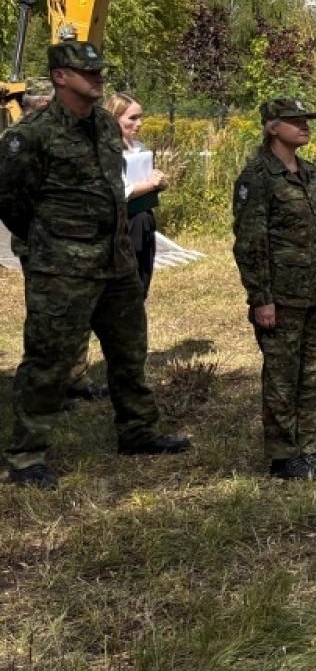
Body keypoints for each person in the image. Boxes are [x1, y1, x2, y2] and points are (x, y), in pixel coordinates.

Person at [0, 41, 190, 489]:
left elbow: (114, 186)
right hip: (62, 267)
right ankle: (28, 456)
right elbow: (11, 202)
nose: (98, 78)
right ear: (61, 76)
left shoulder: (105, 125)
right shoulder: (30, 135)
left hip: (116, 260)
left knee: (129, 351)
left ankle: (138, 431)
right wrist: (51, 242)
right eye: (87, 72)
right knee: (49, 358)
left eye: (100, 71)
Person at [232, 98, 316, 480]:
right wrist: (261, 298)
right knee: (283, 375)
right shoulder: (257, 177)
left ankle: (308, 448)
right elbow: (251, 243)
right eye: (294, 120)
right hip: (282, 296)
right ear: (271, 127)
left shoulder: (312, 174)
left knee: (315, 372)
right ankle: (284, 456)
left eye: (306, 119)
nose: (304, 125)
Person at [107, 92, 168, 294]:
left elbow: (146, 180)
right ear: (114, 118)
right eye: (132, 118)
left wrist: (159, 182)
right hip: (122, 223)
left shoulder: (139, 148)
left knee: (142, 277)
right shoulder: (108, 151)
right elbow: (121, 191)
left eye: (140, 117)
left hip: (143, 219)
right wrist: (150, 185)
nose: (139, 123)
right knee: (126, 283)